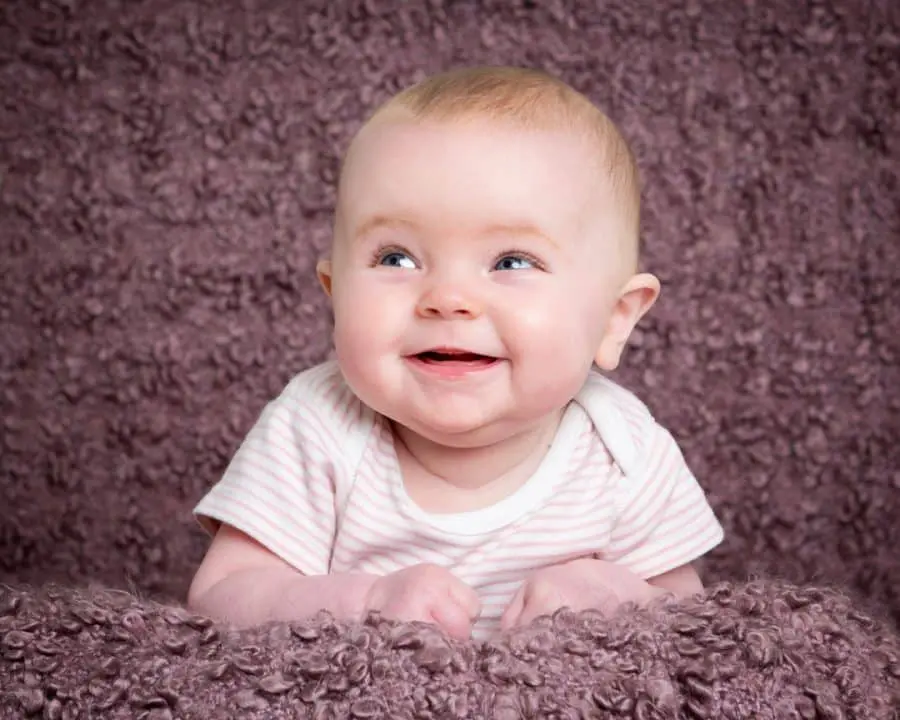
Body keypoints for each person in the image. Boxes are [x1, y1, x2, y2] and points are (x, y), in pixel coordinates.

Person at [186, 66, 724, 641]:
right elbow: (221, 596)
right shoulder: (315, 426)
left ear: (616, 320)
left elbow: (691, 627)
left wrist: (615, 598)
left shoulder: (624, 451)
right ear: (336, 296)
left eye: (512, 262)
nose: (447, 299)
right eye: (396, 258)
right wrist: (362, 601)